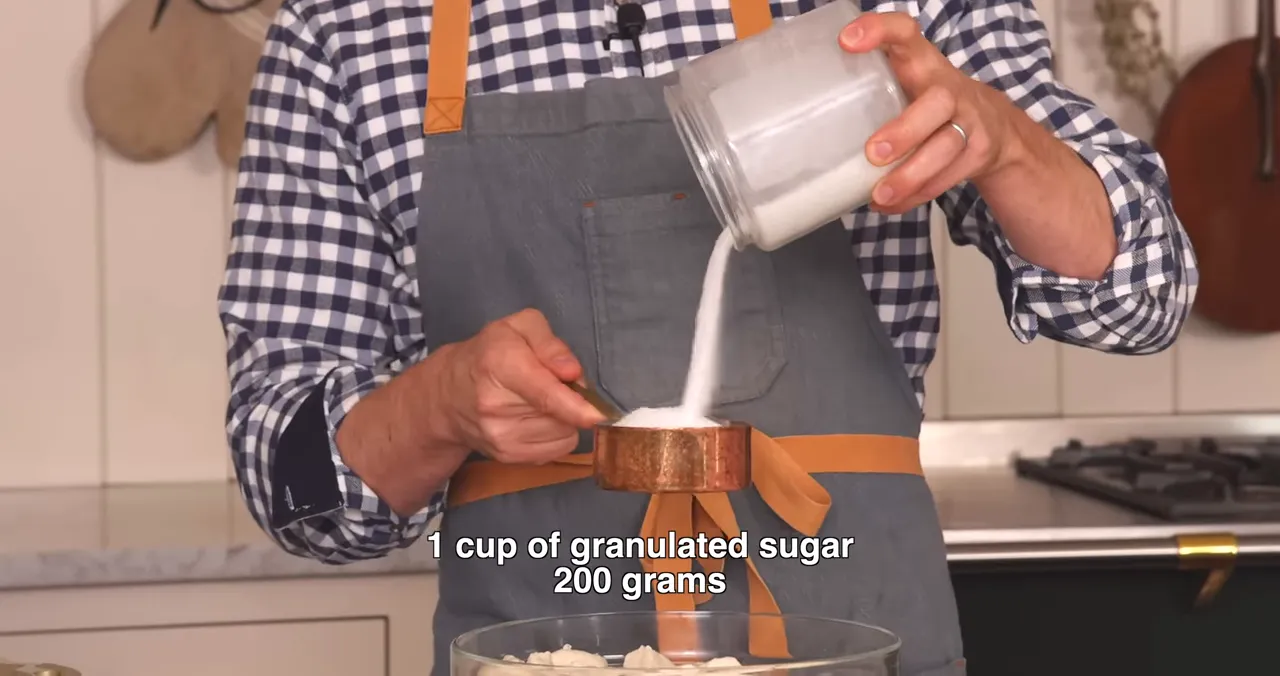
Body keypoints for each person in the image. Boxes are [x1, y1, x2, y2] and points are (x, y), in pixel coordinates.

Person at [218, 0, 1196, 674]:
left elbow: (1137, 294)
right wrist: (436, 405)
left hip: (852, 639)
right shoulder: (344, 30)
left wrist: (1005, 139)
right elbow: (293, 486)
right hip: (532, 643)